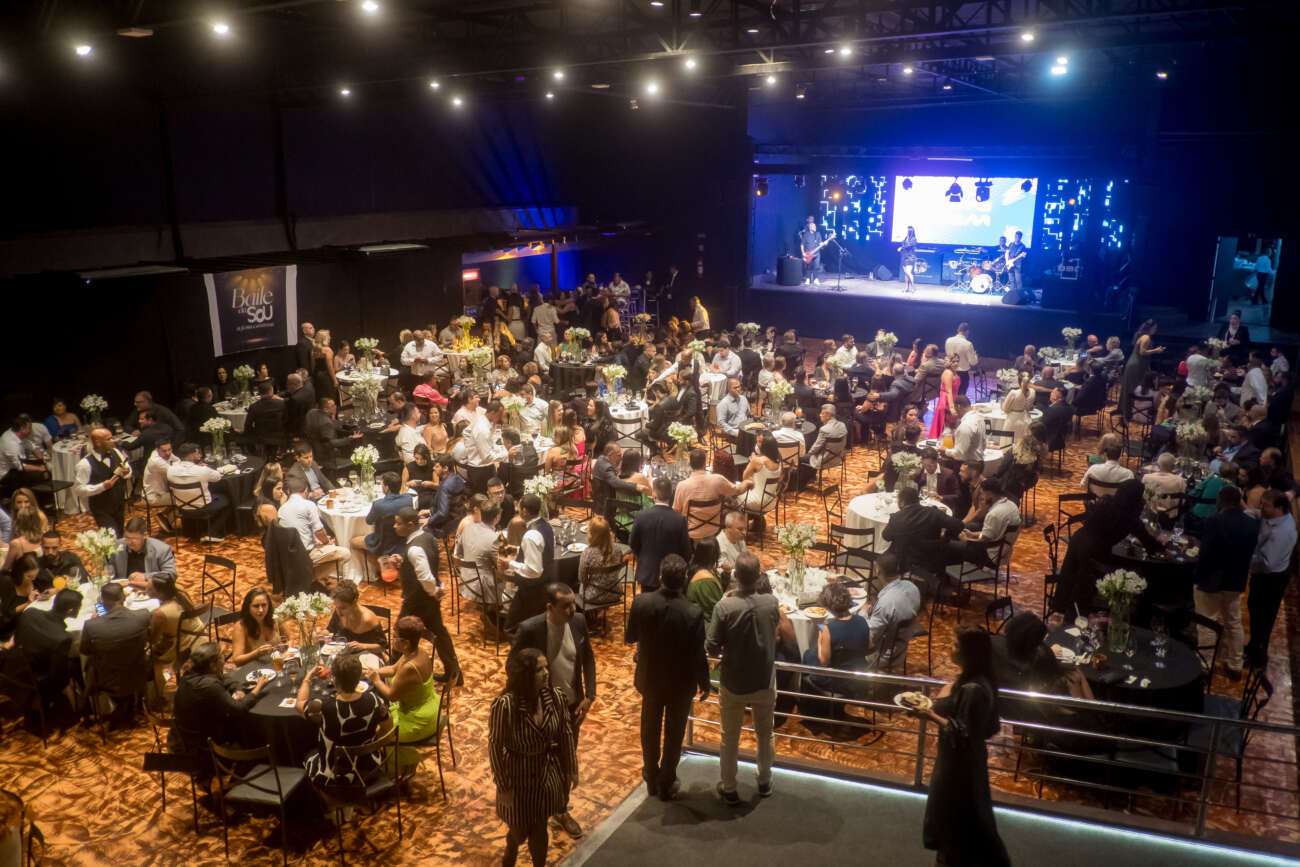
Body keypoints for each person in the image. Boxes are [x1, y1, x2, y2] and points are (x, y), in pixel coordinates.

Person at [908, 628, 1010, 867]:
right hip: (964, 759)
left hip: (958, 764)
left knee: (952, 814)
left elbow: (963, 732)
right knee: (964, 813)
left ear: (969, 653)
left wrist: (930, 715)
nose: (949, 648)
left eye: (955, 645)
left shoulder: (972, 689)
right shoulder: (977, 680)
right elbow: (984, 727)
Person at [510, 583, 595, 839]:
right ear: (550, 607)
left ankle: (560, 810)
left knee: (567, 759)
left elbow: (588, 658)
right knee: (538, 762)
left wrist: (590, 695)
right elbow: (511, 667)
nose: (572, 609)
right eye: (565, 606)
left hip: (571, 707)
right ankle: (536, 810)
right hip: (540, 709)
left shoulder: (579, 622)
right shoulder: (531, 629)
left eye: (573, 603)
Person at [625, 553, 711, 800]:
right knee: (675, 733)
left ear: (660, 576)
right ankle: (666, 781)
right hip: (681, 682)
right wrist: (704, 683)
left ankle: (651, 776)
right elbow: (698, 654)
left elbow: (631, 637)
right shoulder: (693, 611)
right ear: (685, 578)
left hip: (650, 677)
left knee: (649, 728)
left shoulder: (641, 602)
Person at [488, 646, 577, 867]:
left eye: (546, 668)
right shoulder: (506, 706)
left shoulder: (555, 698)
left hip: (545, 773)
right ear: (526, 675)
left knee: (539, 826)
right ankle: (511, 848)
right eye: (539, 670)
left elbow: (566, 734)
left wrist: (571, 768)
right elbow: (495, 747)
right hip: (518, 776)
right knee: (519, 832)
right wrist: (503, 786)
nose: (546, 673)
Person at [708, 552, 779, 804]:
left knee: (729, 737)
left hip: (733, 681)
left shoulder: (724, 606)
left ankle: (729, 787)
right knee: (765, 733)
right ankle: (764, 781)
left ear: (736, 576)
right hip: (764, 679)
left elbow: (712, 646)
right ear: (759, 576)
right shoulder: (772, 602)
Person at [1052, 479, 1163, 615]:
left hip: (1079, 539)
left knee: (1071, 577)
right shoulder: (1129, 516)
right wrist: (1162, 547)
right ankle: (1085, 611)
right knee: (1084, 582)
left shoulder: (1107, 502)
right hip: (1094, 550)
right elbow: (1147, 541)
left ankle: (1069, 609)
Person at [1194, 486, 1260, 678]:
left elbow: (1206, 554)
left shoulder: (1214, 521)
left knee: (1207, 622)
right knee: (1233, 622)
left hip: (1211, 579)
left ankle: (1205, 664)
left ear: (1220, 501)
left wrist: (1197, 576)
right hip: (1236, 579)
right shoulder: (1252, 524)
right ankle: (1235, 664)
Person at [299, 651, 393, 786]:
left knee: (307, 752)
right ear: (359, 678)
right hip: (370, 768)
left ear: (334, 680)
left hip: (334, 776)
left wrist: (307, 677)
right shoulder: (375, 700)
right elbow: (388, 727)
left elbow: (299, 704)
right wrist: (368, 744)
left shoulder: (324, 707)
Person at [169, 642, 269, 768]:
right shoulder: (209, 686)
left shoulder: (191, 674)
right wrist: (258, 688)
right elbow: (238, 708)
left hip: (185, 738)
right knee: (250, 726)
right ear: (212, 664)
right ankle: (254, 764)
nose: (225, 659)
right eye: (222, 656)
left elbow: (223, 678)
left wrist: (237, 689)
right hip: (204, 751)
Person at [390, 507, 462, 684]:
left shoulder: (414, 549)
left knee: (400, 634)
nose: (394, 526)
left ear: (410, 524)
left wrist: (435, 591)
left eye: (398, 523)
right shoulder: (428, 537)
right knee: (440, 634)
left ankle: (391, 678)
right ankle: (454, 673)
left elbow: (425, 577)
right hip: (428, 600)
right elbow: (426, 566)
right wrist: (403, 562)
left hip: (416, 601)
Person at [363, 615, 441, 771]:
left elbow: (392, 695)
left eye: (394, 637)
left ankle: (398, 767)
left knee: (377, 731)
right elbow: (393, 669)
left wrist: (376, 680)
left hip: (418, 719)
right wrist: (371, 672)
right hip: (425, 706)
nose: (392, 641)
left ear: (405, 642)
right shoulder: (416, 652)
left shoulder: (410, 667)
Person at [1244, 489, 1298, 667]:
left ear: (1279, 508)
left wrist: (1245, 559)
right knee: (1254, 609)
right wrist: (1248, 512)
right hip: (1263, 574)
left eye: (1265, 505)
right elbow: (1259, 514)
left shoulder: (1282, 532)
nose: (1261, 507)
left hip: (1271, 579)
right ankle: (1253, 646)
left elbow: (1267, 564)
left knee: (1264, 618)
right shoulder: (1274, 516)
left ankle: (1259, 658)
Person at [278, 476, 348, 586]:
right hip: (305, 554)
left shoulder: (281, 509)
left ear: (288, 492)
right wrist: (326, 542)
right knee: (345, 554)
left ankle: (307, 577)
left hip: (287, 554)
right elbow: (319, 531)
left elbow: (302, 530)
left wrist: (319, 541)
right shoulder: (308, 505)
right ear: (306, 491)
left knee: (326, 545)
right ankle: (309, 578)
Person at [882, 485, 967, 575]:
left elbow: (886, 536)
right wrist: (944, 533)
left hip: (905, 562)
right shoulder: (933, 512)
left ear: (901, 502)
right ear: (918, 500)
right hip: (933, 559)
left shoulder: (896, 518)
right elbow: (959, 525)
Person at [672, 448, 754, 538]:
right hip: (714, 530)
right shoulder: (718, 480)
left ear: (689, 463)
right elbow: (738, 490)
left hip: (691, 532)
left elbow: (676, 511)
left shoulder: (682, 486)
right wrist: (747, 482)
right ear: (705, 463)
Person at [630, 477, 692, 591]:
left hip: (647, 573)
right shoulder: (680, 520)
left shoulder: (641, 516)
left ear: (654, 494)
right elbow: (686, 551)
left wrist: (644, 557)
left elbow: (633, 544)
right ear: (672, 493)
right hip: (672, 577)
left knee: (646, 602)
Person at [147, 574, 206, 694]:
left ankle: (157, 693)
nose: (145, 590)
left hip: (185, 645)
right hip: (199, 634)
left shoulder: (160, 614)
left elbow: (153, 639)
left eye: (149, 589)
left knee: (149, 656)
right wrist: (131, 583)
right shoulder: (180, 592)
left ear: (159, 593)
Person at [165, 442, 230, 540]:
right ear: (191, 456)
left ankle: (192, 532)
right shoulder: (202, 470)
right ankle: (212, 532)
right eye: (197, 453)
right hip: (202, 508)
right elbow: (217, 477)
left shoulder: (170, 470)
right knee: (227, 500)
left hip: (181, 508)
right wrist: (203, 467)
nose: (199, 455)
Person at [73, 427, 131, 535]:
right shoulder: (85, 464)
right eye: (109, 439)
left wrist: (127, 472)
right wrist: (102, 487)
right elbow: (78, 489)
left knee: (120, 535)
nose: (113, 441)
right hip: (101, 508)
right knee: (111, 537)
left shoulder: (116, 452)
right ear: (98, 442)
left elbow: (127, 467)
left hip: (119, 504)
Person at [108, 517, 178, 586]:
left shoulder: (162, 549)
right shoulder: (117, 546)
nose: (130, 542)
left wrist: (146, 576)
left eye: (134, 538)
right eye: (127, 538)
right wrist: (108, 571)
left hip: (150, 589)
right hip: (124, 588)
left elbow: (171, 574)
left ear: (145, 535)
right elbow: (111, 567)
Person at [228, 587, 289, 666]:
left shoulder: (275, 618)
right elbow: (237, 660)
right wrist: (256, 653)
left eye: (264, 605)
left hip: (277, 663)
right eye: (256, 606)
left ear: (269, 605)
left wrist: (286, 647)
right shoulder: (241, 627)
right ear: (248, 607)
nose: (261, 610)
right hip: (255, 669)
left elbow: (288, 640)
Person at [1120, 320, 1165, 419]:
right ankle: (1130, 412)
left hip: (1135, 364)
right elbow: (1142, 352)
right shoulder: (1146, 337)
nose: (1156, 330)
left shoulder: (1143, 336)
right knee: (1133, 388)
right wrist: (1156, 350)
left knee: (1132, 387)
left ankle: (1129, 411)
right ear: (1150, 328)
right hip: (1137, 365)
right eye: (1155, 328)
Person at [576, 516, 623, 610]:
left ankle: (587, 615)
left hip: (593, 596)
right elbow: (618, 570)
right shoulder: (618, 549)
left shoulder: (587, 553)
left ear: (591, 534)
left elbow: (582, 579)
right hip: (615, 593)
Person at [684, 536, 725, 624]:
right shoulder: (705, 580)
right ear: (714, 555)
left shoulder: (704, 569)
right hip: (706, 625)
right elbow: (717, 609)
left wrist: (726, 575)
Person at [946, 396, 985, 463]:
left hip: (967, 465)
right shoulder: (979, 419)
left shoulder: (965, 425)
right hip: (979, 462)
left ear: (958, 407)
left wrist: (945, 451)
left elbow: (960, 454)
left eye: (954, 408)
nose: (955, 412)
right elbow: (983, 445)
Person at [944, 322, 978, 398]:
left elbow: (948, 355)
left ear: (958, 330)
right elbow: (973, 362)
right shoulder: (968, 344)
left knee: (949, 396)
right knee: (959, 398)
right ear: (967, 331)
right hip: (962, 375)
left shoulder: (948, 340)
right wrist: (975, 355)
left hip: (949, 373)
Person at [1000, 373, 1035, 442]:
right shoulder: (1033, 392)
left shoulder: (1013, 393)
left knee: (1010, 442)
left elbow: (1005, 409)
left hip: (1013, 420)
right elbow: (1029, 407)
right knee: (1022, 442)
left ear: (1018, 382)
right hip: (1026, 420)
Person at [798, 215, 825, 285]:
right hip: (808, 253)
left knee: (816, 266)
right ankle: (808, 279)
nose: (815, 227)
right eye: (814, 226)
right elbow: (802, 245)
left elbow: (820, 243)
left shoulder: (818, 234)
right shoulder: (806, 235)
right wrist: (803, 252)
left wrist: (823, 244)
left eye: (815, 226)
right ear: (810, 227)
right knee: (808, 267)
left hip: (816, 253)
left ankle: (816, 279)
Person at [1005, 229, 1027, 297]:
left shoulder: (1023, 246)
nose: (1016, 238)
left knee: (1018, 281)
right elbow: (1007, 253)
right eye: (1016, 236)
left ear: (1020, 237)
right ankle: (1012, 295)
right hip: (1010, 264)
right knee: (1011, 280)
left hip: (1018, 265)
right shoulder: (1011, 244)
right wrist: (1007, 261)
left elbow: (1024, 255)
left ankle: (1020, 296)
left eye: (1018, 237)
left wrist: (1014, 260)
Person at [898, 226, 918, 292]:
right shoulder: (905, 238)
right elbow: (903, 244)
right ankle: (907, 288)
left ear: (910, 232)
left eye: (907, 230)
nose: (906, 231)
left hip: (910, 257)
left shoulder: (913, 239)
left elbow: (907, 245)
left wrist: (901, 247)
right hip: (904, 256)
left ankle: (913, 287)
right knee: (906, 274)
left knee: (908, 272)